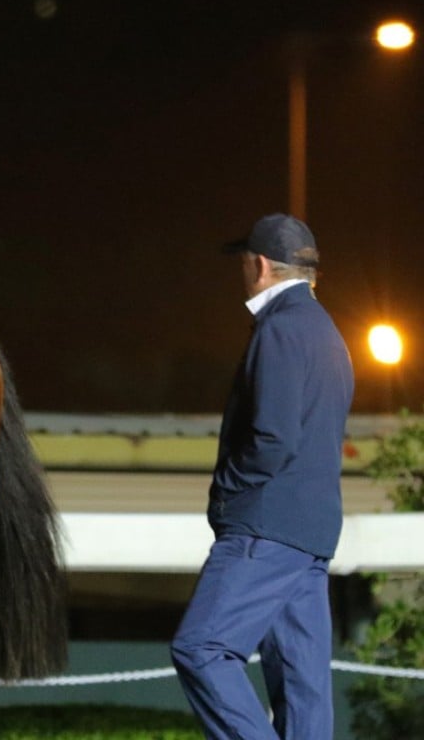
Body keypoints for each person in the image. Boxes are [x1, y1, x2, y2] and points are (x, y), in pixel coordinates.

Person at [170, 213, 354, 739]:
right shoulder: (329, 335)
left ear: (259, 265)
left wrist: (228, 496)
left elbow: (272, 440)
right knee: (302, 686)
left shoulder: (280, 329)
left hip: (264, 528)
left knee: (200, 648)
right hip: (311, 536)